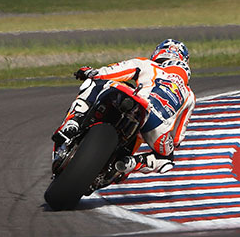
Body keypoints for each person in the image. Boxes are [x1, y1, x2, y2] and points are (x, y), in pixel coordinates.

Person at [52, 39, 196, 175]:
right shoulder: (190, 96)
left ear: (158, 53)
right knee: (167, 159)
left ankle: (73, 123)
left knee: (94, 82)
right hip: (156, 128)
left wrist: (90, 72)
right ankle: (132, 163)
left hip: (139, 102)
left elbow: (113, 72)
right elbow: (177, 138)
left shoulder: (148, 64)